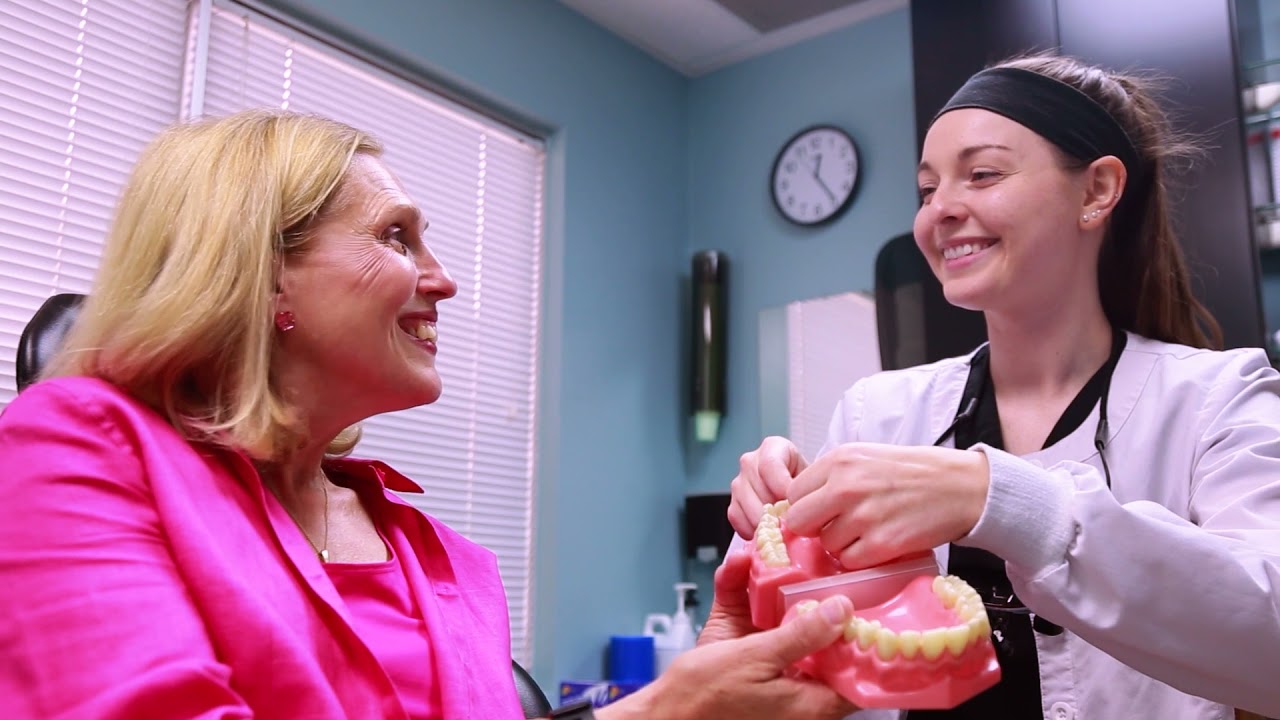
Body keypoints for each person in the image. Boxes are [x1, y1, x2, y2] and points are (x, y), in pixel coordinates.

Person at [0, 109, 860, 720]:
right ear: (262, 279)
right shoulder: (74, 453)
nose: (443, 277)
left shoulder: (448, 562)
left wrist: (708, 683)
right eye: (396, 237)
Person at [728, 54, 1280, 720]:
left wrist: (1002, 501)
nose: (939, 212)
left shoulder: (1217, 398)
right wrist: (775, 534)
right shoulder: (878, 413)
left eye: (982, 174)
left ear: (1097, 191)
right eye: (928, 190)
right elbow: (793, 652)